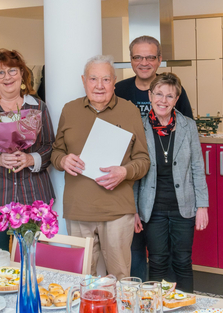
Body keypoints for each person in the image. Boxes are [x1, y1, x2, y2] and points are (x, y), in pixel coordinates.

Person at [51, 55, 150, 279]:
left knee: (120, 277)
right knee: (83, 278)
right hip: (78, 210)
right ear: (84, 80)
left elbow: (143, 160)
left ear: (114, 82)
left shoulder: (129, 111)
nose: (99, 85)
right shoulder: (70, 110)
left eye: (106, 79)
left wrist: (124, 172)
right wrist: (63, 160)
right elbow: (56, 152)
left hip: (117, 211)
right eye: (93, 78)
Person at [115, 35, 194, 281]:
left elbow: (187, 138)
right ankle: (142, 300)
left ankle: (173, 299)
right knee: (137, 252)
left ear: (159, 60)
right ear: (131, 60)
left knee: (173, 257)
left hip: (170, 195)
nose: (144, 62)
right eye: (138, 57)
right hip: (131, 188)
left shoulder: (176, 94)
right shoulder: (120, 90)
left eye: (150, 57)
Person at [0, 48, 56, 254]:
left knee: (32, 260)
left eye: (12, 71)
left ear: (22, 74)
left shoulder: (39, 107)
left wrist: (30, 158)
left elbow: (50, 146)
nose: (7, 77)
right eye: (0, 72)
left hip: (33, 196)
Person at [135, 72, 208, 292]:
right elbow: (135, 173)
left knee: (183, 261)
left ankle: (184, 306)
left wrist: (202, 206)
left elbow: (197, 167)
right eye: (158, 94)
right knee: (157, 262)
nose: (163, 100)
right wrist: (133, 210)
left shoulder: (188, 126)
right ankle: (159, 307)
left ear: (176, 99)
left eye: (169, 96)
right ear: (150, 95)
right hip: (152, 208)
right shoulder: (139, 127)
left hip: (183, 207)